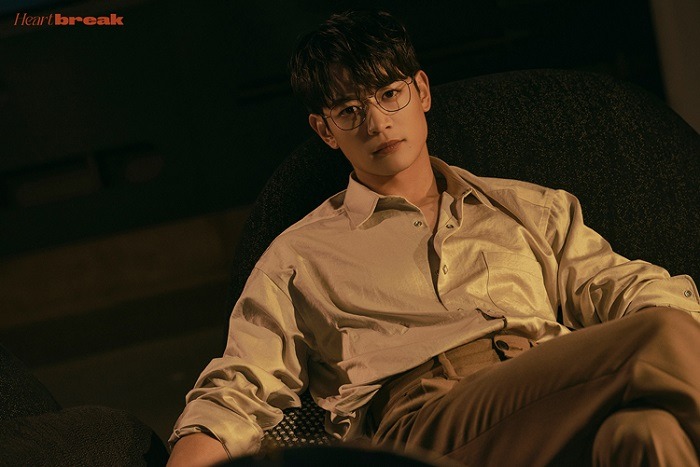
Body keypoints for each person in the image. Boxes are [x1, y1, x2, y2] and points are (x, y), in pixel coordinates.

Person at [167, 10, 700, 466]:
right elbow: (236, 389)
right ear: (325, 130)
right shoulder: (298, 255)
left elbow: (626, 287)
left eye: (389, 94)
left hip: (550, 404)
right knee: (662, 336)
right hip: (424, 427)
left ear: (420, 91)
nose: (377, 123)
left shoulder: (529, 208)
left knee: (647, 433)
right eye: (350, 111)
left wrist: (667, 323)